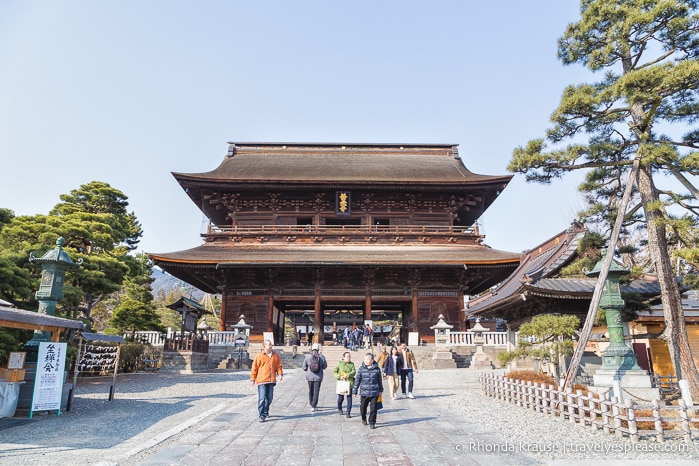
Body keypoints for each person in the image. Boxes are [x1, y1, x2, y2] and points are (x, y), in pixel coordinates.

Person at [250, 340, 283, 422]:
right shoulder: (259, 355)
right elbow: (254, 368)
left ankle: (266, 410)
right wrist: (253, 379)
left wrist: (280, 374)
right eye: (269, 345)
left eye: (271, 344)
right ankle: (262, 415)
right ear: (264, 347)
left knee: (270, 398)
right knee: (262, 398)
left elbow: (279, 365)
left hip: (271, 380)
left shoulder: (275, 355)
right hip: (262, 380)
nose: (270, 346)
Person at [352, 353, 383, 429]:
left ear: (372, 360)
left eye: (367, 359)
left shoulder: (377, 369)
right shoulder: (361, 369)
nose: (366, 361)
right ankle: (363, 418)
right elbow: (357, 380)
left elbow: (379, 380)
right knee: (363, 408)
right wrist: (355, 390)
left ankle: (372, 422)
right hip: (364, 392)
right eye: (365, 359)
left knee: (373, 409)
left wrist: (380, 390)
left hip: (374, 392)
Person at [302, 343, 327, 412]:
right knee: (316, 391)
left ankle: (311, 402)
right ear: (318, 349)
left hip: (309, 376)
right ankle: (314, 405)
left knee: (311, 390)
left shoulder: (308, 357)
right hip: (318, 377)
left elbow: (304, 367)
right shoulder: (322, 357)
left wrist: (309, 369)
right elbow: (325, 366)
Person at [332, 351, 356, 418]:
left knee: (349, 398)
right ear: (343, 357)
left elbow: (354, 372)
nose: (349, 358)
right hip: (342, 383)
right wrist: (339, 376)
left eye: (349, 356)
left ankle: (348, 412)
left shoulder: (352, 364)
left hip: (349, 383)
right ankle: (339, 407)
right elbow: (334, 371)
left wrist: (348, 374)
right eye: (347, 356)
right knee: (340, 398)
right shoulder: (339, 363)